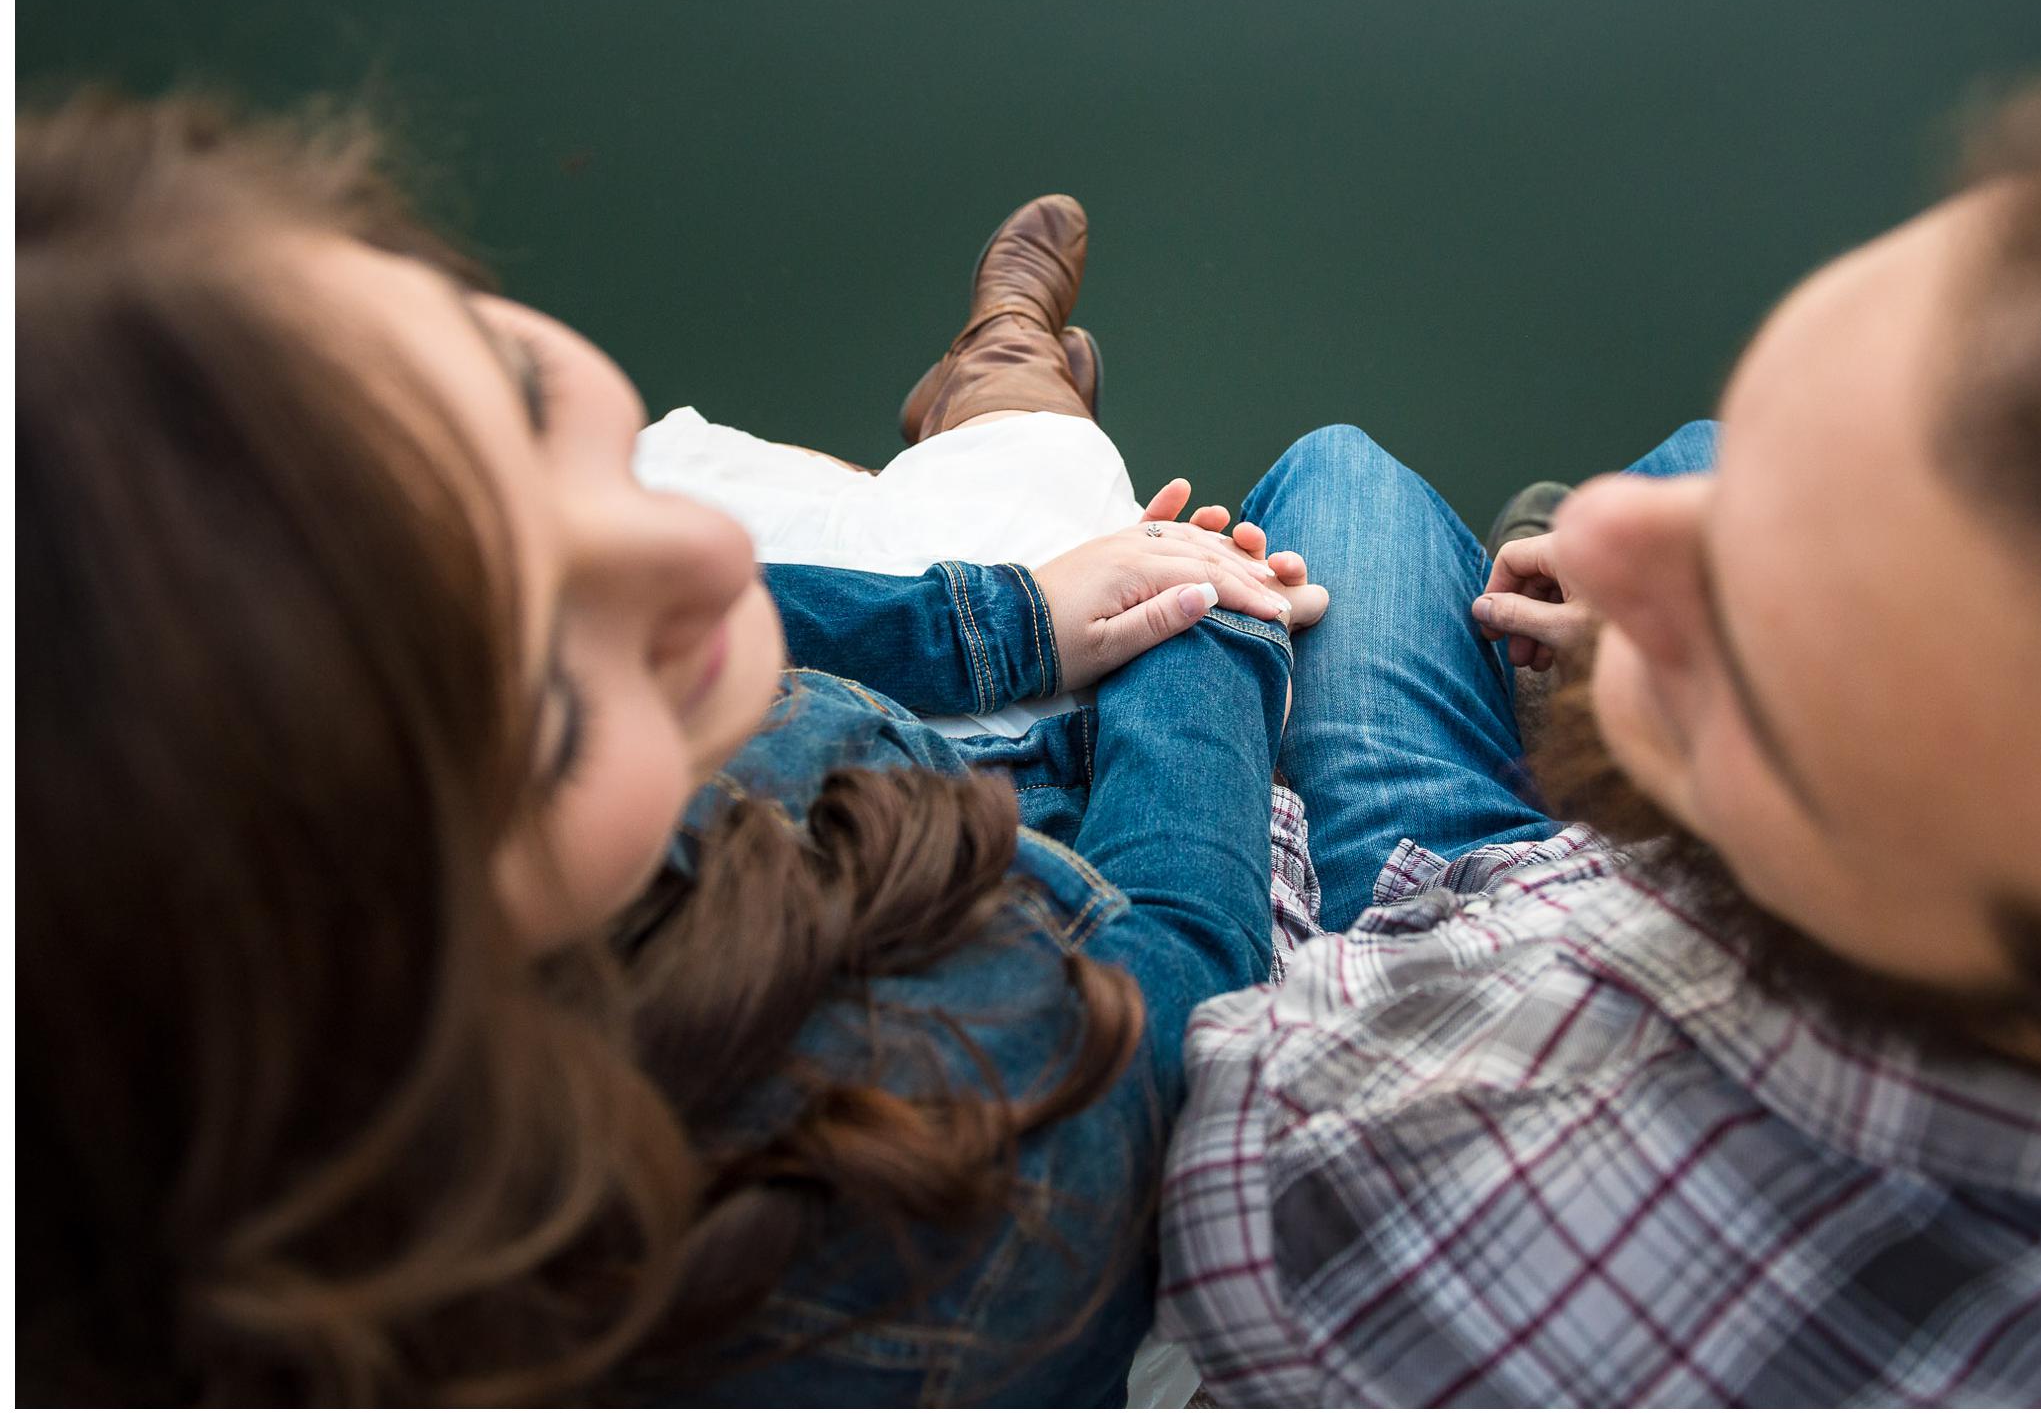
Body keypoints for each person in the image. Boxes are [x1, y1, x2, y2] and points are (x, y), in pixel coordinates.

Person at [16, 96, 1321, 1405]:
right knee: (1223, 480)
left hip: (881, 781)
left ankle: (1002, 381)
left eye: (516, 400)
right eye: (551, 710)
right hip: (1043, 892)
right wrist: (1209, 632)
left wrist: (1011, 622)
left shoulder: (475, 803)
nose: (701, 555)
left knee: (983, 519)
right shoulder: (894, 1184)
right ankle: (1004, 368)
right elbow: (1182, 995)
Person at [1154, 41, 2041, 1405]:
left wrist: (1192, 650)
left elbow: (1222, 977)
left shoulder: (1379, 1186)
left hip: (1451, 929)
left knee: (1346, 482)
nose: (1609, 535)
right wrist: (1714, 651)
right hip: (1665, 917)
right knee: (1688, 457)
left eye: (1747, 650)